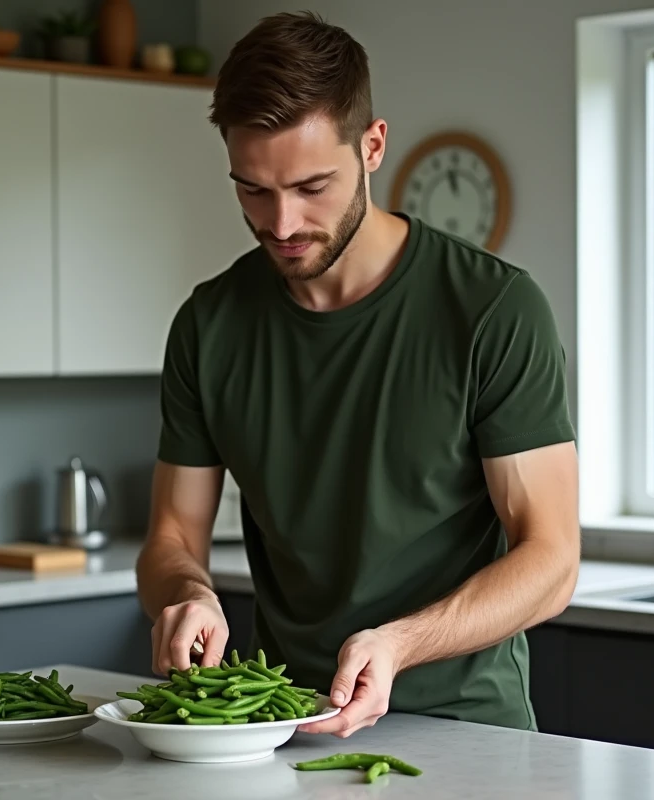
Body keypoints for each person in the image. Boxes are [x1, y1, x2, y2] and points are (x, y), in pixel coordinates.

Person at [133, 11, 580, 738]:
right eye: (252, 189)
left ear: (373, 147)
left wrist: (399, 644)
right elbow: (171, 537)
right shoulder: (209, 326)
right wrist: (188, 594)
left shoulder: (494, 310)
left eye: (312, 186)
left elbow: (552, 559)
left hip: (466, 731)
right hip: (283, 723)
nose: (282, 223)